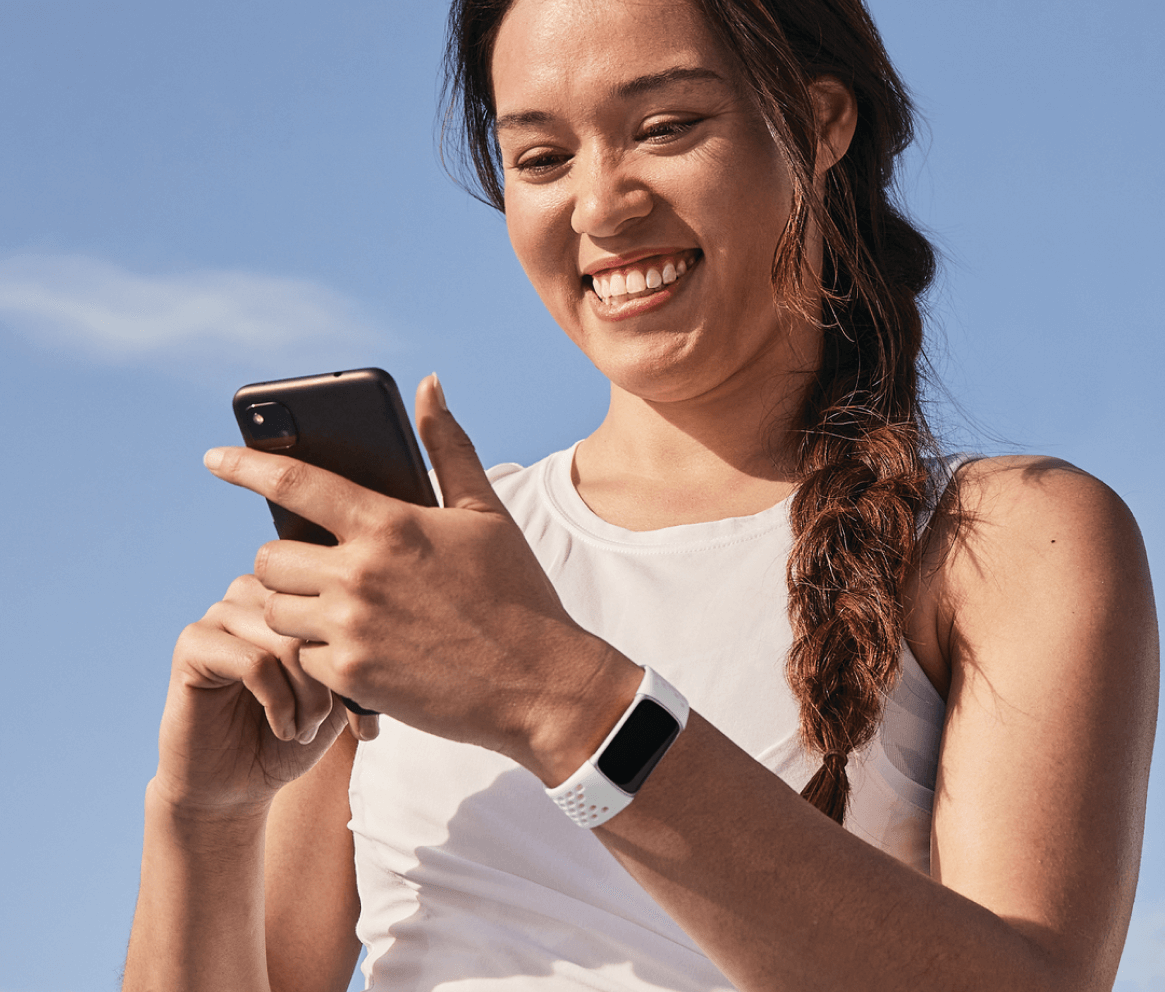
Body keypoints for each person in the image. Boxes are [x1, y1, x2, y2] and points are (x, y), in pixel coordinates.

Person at [122, 0, 1159, 989]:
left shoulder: (1010, 540)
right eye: (540, 157)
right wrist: (202, 817)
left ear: (819, 122)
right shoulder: (417, 575)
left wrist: (554, 693)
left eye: (664, 128)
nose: (602, 205)